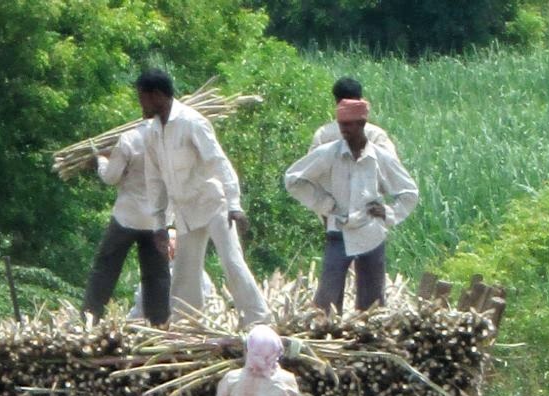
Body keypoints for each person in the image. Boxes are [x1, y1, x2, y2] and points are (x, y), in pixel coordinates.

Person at [135, 69, 270, 328]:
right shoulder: (152, 132)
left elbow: (218, 161)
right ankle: (187, 323)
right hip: (185, 209)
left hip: (212, 203)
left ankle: (257, 319)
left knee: (231, 260)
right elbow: (155, 180)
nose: (141, 103)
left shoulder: (192, 122)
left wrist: (234, 204)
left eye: (142, 97)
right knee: (185, 270)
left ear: (157, 95)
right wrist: (159, 224)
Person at [285, 99, 418, 313]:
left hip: (371, 233)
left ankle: (368, 340)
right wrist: (325, 204)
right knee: (326, 298)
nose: (343, 130)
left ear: (362, 124)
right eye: (341, 124)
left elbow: (409, 192)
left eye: (349, 125)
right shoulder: (329, 153)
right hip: (339, 229)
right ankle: (326, 333)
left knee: (373, 301)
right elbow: (293, 179)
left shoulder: (380, 157)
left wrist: (389, 212)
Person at [82, 123, 170, 326]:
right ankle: (159, 324)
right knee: (157, 275)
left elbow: (110, 177)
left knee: (106, 268)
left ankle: (90, 317)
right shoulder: (171, 139)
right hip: (158, 219)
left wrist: (101, 160)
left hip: (127, 216)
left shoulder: (130, 138)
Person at [310, 77, 399, 158]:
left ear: (336, 101)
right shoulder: (376, 135)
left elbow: (309, 170)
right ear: (360, 101)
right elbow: (393, 168)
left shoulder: (323, 135)